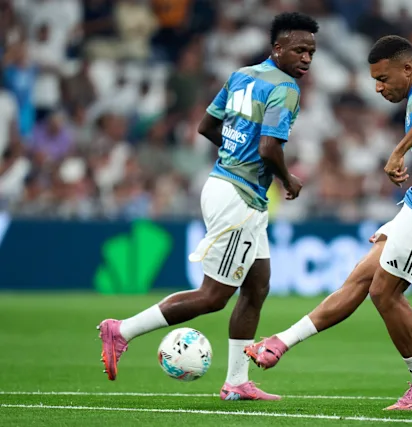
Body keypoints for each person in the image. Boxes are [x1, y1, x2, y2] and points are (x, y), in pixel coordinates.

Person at [245, 35, 412, 411]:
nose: (378, 87)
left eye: (383, 78)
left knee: (384, 292)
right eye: (375, 80)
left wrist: (399, 151)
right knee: (361, 277)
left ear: (407, 68)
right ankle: (281, 342)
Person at [97, 12, 319, 401]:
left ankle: (237, 382)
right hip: (239, 198)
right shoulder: (285, 89)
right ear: (277, 48)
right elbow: (269, 147)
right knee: (213, 296)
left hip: (226, 186)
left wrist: (236, 153)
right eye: (299, 49)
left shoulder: (241, 76)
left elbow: (206, 127)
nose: (306, 58)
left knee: (257, 286)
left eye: (311, 52)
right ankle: (122, 330)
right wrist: (288, 178)